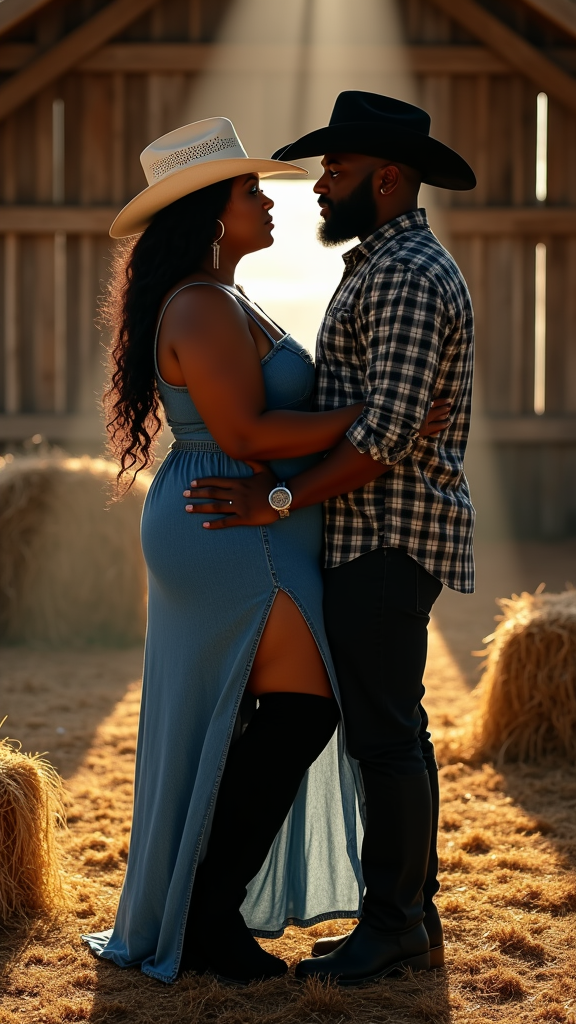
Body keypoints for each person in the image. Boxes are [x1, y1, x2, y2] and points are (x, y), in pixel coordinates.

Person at [82, 116, 447, 986]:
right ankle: (206, 914)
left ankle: (205, 908)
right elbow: (245, 429)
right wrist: (376, 426)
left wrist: (362, 432)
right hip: (231, 520)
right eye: (250, 190)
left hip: (246, 518)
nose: (270, 197)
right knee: (303, 710)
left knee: (261, 716)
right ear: (212, 210)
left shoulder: (224, 297)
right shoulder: (202, 304)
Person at [183, 93, 476, 986]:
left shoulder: (405, 276)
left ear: (387, 179)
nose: (320, 189)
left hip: (388, 536)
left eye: (337, 174)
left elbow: (384, 434)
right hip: (371, 536)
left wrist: (278, 497)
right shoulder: (380, 265)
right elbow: (378, 414)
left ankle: (392, 926)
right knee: (393, 732)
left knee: (385, 737)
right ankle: (408, 917)